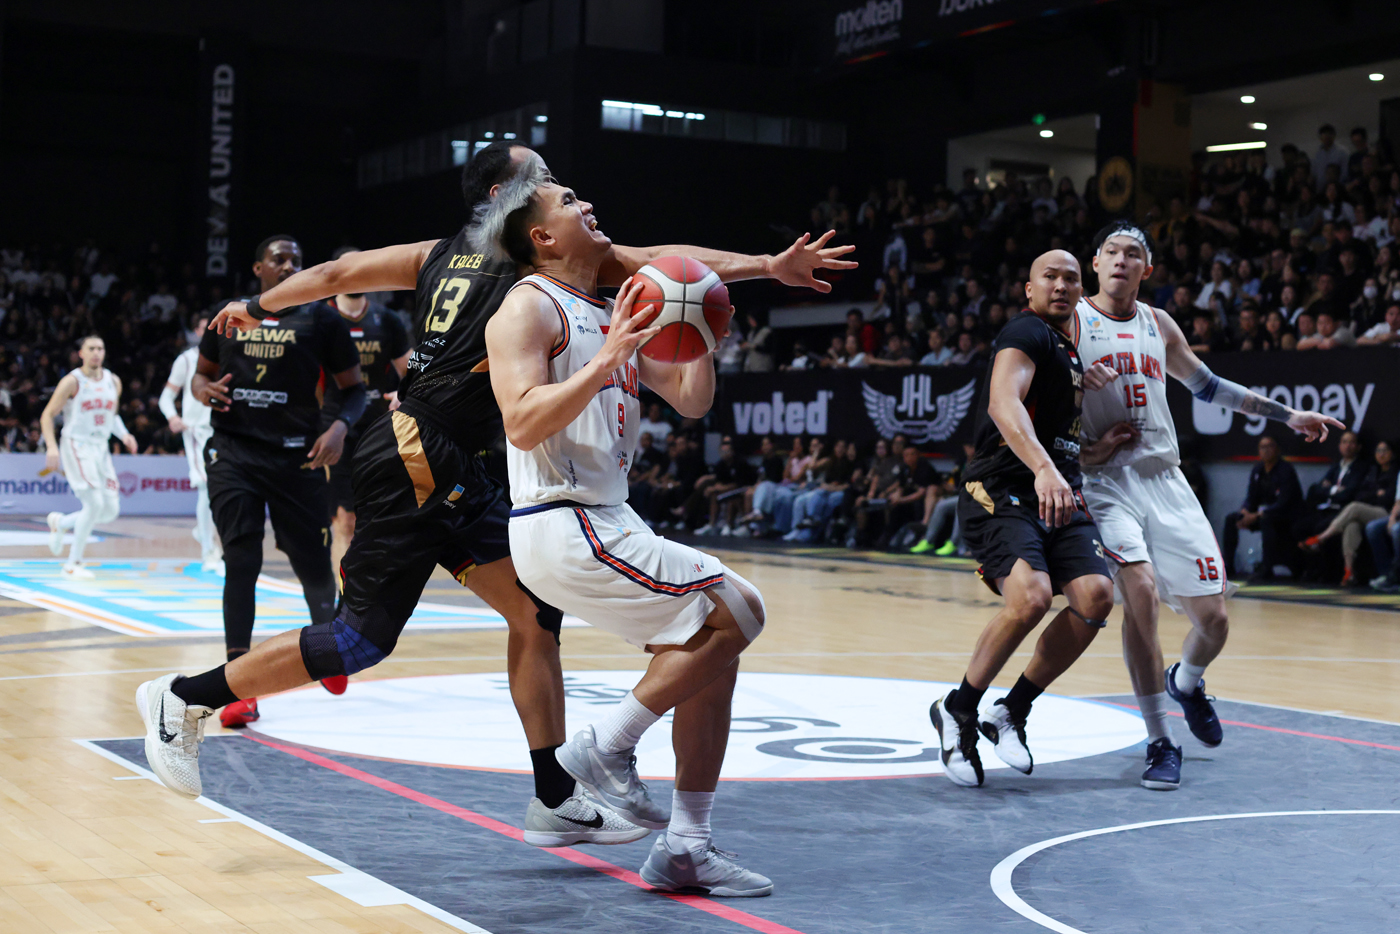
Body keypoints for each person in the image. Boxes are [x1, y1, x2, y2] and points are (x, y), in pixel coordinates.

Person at [134, 143, 851, 848]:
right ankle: (183, 698)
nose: (558, 183)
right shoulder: (531, 254)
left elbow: (340, 271)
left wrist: (255, 303)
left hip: (451, 455)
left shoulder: (437, 251)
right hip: (420, 447)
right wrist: (766, 267)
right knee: (360, 639)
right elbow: (664, 258)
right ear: (505, 205)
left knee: (534, 615)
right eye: (540, 178)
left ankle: (554, 795)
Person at [482, 163, 774, 896]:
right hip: (561, 518)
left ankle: (686, 846)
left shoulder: (609, 305)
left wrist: (704, 334)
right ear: (542, 235)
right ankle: (604, 746)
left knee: (712, 653)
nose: (590, 204)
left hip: (608, 515)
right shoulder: (527, 306)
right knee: (743, 607)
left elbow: (691, 401)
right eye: (570, 201)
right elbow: (520, 421)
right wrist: (608, 358)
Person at [1075, 222, 1342, 790]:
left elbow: (1210, 387)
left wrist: (1288, 415)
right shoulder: (1069, 322)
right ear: (1094, 263)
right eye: (1112, 253)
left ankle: (1188, 681)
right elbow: (1034, 408)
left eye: (1134, 255)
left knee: (1215, 618)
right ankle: (1159, 740)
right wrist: (1081, 424)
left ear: (1147, 271)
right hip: (1104, 482)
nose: (1122, 262)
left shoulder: (1158, 323)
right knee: (1139, 595)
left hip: (1166, 481)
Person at [930, 250, 1117, 789]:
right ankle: (960, 709)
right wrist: (1042, 469)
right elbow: (1001, 404)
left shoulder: (1071, 354)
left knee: (1096, 598)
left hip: (1058, 490)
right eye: (1049, 277)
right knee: (1031, 597)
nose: (1061, 285)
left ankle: (1010, 709)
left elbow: (1058, 443)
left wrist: (1095, 451)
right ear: (1028, 290)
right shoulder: (1026, 332)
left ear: (1082, 291)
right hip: (1003, 487)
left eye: (1071, 279)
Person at [197, 234, 368, 719]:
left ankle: (331, 646)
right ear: (259, 270)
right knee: (241, 559)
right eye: (280, 259)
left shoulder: (322, 318)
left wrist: (338, 428)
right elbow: (199, 375)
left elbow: (353, 391)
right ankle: (236, 687)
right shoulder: (228, 314)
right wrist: (203, 388)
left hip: (298, 459)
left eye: (297, 259)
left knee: (313, 566)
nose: (290, 265)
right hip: (234, 453)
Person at [322, 247, 412, 575]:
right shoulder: (321, 317)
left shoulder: (387, 320)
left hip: (379, 427)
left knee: (378, 517)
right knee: (343, 520)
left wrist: (405, 393)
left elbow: (411, 368)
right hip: (335, 429)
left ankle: (370, 595)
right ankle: (341, 603)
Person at [41, 335, 138, 578]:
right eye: (91, 348)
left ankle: (61, 524)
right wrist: (51, 447)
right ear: (81, 353)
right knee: (93, 504)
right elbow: (47, 415)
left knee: (109, 511)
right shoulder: (72, 381)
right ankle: (73, 564)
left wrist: (124, 435)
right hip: (77, 444)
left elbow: (111, 415)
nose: (96, 352)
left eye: (100, 348)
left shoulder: (113, 381)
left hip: (101, 446)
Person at [158, 315, 220, 571]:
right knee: (206, 489)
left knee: (220, 491)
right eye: (205, 328)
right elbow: (165, 397)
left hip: (222, 431)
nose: (209, 332)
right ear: (196, 331)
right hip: (196, 432)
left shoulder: (228, 356)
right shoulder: (186, 360)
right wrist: (173, 417)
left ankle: (202, 532)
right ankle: (209, 552)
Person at [1301, 440, 1395, 586]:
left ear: (1392, 453)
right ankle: (1349, 572)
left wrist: (1374, 495)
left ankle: (1321, 538)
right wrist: (1377, 494)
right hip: (1368, 511)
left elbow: (1389, 498)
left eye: (1385, 450)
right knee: (1352, 524)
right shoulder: (1372, 470)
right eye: (1378, 451)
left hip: (1387, 513)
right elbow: (1361, 494)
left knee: (1354, 507)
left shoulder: (1395, 472)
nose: (1381, 454)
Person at [1221, 435, 1303, 582]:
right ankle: (1228, 566)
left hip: (1285, 516)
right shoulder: (1258, 470)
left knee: (1266, 520)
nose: (1266, 450)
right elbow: (1251, 497)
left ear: (1277, 449)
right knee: (1232, 518)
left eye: (1269, 446)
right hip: (1262, 514)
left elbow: (1284, 502)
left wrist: (1259, 514)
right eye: (1262, 447)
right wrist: (1245, 510)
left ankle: (1267, 568)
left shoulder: (1286, 470)